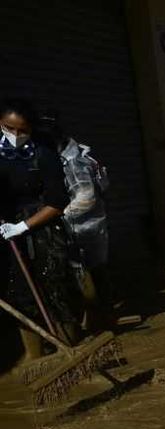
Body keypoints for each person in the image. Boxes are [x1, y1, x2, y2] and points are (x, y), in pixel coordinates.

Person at [0, 98, 79, 359]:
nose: (15, 135)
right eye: (8, 128)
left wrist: (23, 226)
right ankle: (36, 359)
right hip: (6, 231)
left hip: (42, 228)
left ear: (31, 129)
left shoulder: (43, 154)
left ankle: (69, 349)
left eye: (21, 130)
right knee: (19, 294)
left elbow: (58, 202)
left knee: (55, 288)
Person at [34, 111, 112, 331]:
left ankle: (101, 319)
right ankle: (100, 317)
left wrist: (57, 213)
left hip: (83, 226)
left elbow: (86, 197)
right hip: (87, 224)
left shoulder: (73, 161)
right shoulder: (75, 153)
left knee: (89, 273)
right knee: (91, 272)